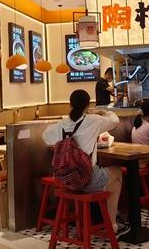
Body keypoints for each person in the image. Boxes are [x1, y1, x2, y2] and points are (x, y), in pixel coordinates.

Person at [42, 90, 129, 236]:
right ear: (87, 105)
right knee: (117, 172)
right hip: (86, 179)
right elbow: (114, 120)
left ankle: (105, 220)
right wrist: (104, 112)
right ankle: (112, 224)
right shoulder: (92, 120)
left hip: (65, 180)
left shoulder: (62, 124)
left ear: (70, 104)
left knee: (114, 184)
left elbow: (45, 137)